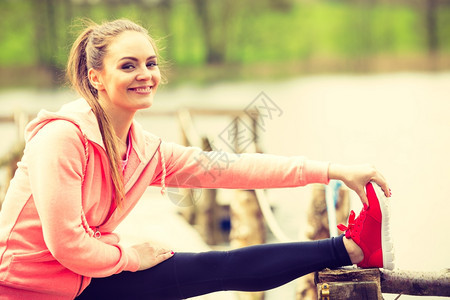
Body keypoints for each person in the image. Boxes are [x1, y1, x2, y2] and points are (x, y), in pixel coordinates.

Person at [0, 19, 394, 300]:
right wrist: (132, 256)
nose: (145, 74)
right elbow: (67, 244)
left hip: (85, 278)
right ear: (95, 77)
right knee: (208, 268)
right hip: (27, 289)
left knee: (216, 267)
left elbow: (232, 167)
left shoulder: (144, 150)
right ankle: (351, 249)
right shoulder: (62, 138)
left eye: (151, 63)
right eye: (128, 65)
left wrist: (330, 171)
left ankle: (351, 250)